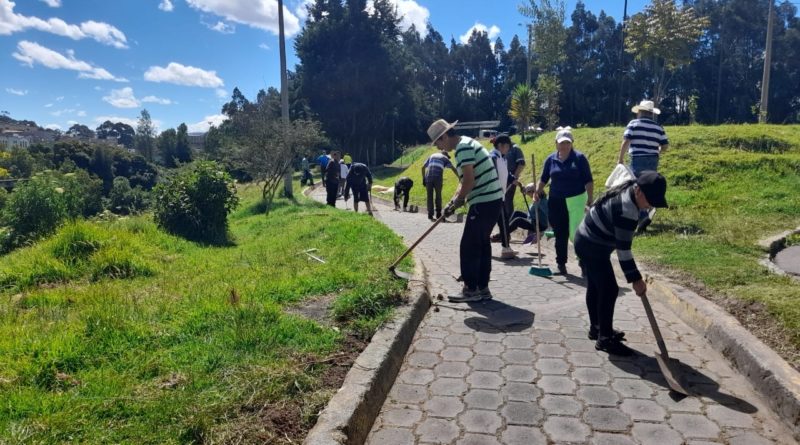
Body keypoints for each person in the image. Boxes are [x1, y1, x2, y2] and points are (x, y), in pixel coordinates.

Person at [574, 171, 668, 356]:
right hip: (591, 245)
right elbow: (623, 251)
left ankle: (597, 328)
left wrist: (635, 278)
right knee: (609, 289)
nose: (649, 206)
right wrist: (636, 280)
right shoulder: (627, 210)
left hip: (586, 239)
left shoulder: (630, 190)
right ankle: (605, 339)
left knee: (596, 286)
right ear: (639, 191)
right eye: (649, 201)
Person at [428, 118, 503, 303]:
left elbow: (470, 181)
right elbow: (463, 181)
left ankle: (471, 289)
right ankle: (482, 288)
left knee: (469, 246)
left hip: (484, 201)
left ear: (444, 136)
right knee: (482, 244)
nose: (438, 148)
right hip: (491, 201)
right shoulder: (466, 143)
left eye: (437, 142)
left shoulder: (462, 148)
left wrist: (458, 202)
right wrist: (452, 203)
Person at [534, 127, 594, 275]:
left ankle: (583, 262)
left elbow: (588, 180)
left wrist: (590, 198)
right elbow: (544, 178)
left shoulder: (579, 158)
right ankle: (561, 263)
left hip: (576, 200)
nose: (564, 145)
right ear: (556, 143)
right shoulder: (551, 159)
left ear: (572, 143)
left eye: (567, 143)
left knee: (576, 232)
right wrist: (537, 191)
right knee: (560, 233)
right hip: (556, 201)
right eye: (561, 143)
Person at [618, 100, 669, 232]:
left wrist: (620, 158)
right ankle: (646, 212)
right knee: (648, 186)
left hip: (637, 158)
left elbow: (626, 141)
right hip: (653, 159)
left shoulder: (633, 124)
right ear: (651, 113)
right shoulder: (658, 127)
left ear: (640, 112)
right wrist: (657, 151)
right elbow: (665, 146)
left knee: (637, 187)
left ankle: (640, 216)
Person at [489, 134, 518, 259]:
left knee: (500, 221)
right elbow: (493, 175)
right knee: (503, 222)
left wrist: (513, 179)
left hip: (499, 195)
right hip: (494, 195)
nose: (508, 149)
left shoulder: (502, 157)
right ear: (500, 145)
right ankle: (506, 248)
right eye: (507, 146)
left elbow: (505, 173)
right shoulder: (493, 157)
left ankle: (504, 247)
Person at [421, 150, 458, 220]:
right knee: (438, 196)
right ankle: (438, 214)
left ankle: (430, 215)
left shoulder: (432, 155)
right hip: (438, 178)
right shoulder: (445, 158)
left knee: (429, 196)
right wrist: (460, 178)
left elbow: (423, 167)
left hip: (428, 177)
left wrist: (423, 179)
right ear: (446, 154)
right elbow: (453, 169)